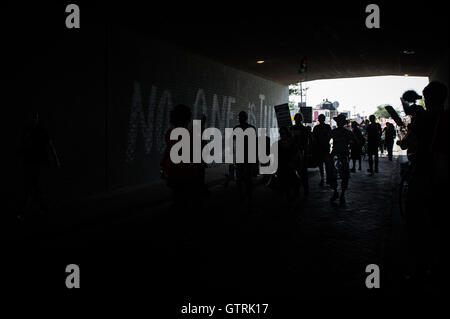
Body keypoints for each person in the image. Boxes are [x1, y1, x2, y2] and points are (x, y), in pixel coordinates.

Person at [18, 112, 60, 220]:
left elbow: (50, 145)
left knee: (31, 185)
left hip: (37, 163)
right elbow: (23, 147)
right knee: (33, 186)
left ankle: (30, 209)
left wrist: (55, 159)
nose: (33, 120)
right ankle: (40, 208)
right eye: (32, 118)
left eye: (35, 118)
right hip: (31, 162)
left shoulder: (40, 131)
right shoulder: (28, 131)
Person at [328, 113, 355, 206]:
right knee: (341, 176)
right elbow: (357, 141)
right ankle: (339, 193)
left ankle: (339, 193)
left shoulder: (335, 132)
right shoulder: (347, 132)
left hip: (339, 155)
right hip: (340, 155)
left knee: (339, 176)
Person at [233, 111, 257, 203]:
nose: (240, 118)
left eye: (241, 117)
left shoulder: (238, 128)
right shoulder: (251, 128)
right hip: (244, 156)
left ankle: (245, 196)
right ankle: (246, 196)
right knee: (244, 178)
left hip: (244, 156)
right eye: (240, 117)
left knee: (244, 178)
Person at [276, 126, 300, 200]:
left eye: (284, 133)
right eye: (281, 133)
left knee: (292, 183)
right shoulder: (278, 143)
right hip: (281, 166)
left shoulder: (292, 143)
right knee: (282, 184)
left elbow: (296, 154)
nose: (283, 135)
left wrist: (294, 163)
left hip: (290, 166)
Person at [291, 113, 311, 196]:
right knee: (298, 172)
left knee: (302, 172)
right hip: (295, 152)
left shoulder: (302, 129)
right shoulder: (293, 128)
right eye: (297, 118)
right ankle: (300, 189)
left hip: (301, 152)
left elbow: (307, 141)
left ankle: (303, 189)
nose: (298, 120)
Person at [312, 114, 331, 186]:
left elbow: (314, 138)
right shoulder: (327, 127)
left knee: (322, 165)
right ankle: (326, 178)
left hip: (321, 147)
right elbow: (329, 136)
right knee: (325, 164)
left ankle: (323, 178)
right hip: (323, 147)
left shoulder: (316, 128)